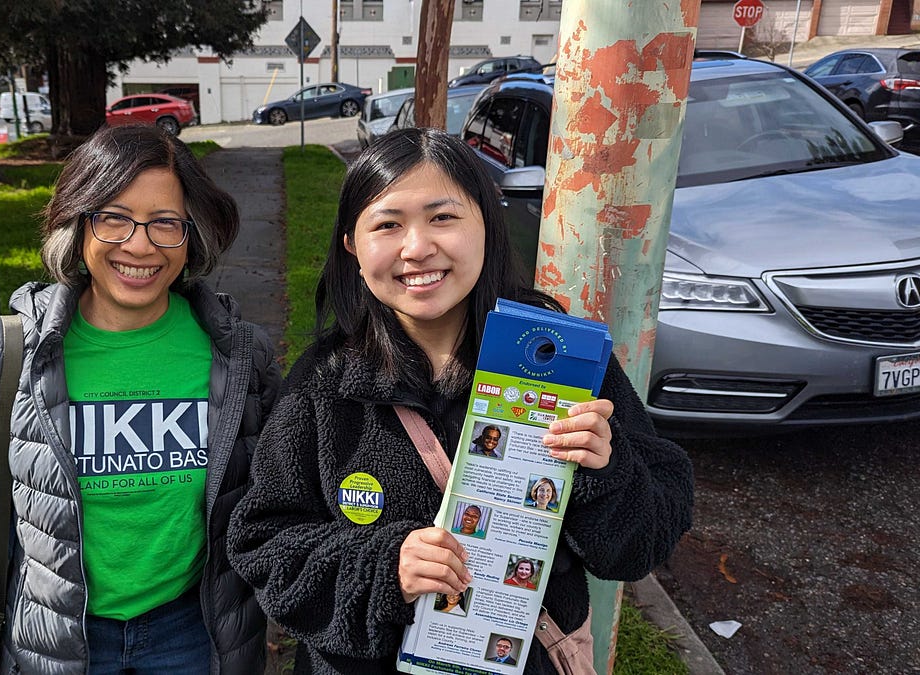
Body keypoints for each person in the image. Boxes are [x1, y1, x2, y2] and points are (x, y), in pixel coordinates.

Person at [227, 127, 694, 674]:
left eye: (443, 217)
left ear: (486, 225)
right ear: (353, 245)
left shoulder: (559, 362)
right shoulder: (324, 384)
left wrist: (607, 470)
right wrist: (384, 567)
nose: (418, 247)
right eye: (387, 224)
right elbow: (262, 543)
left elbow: (646, 540)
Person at [0, 124, 280, 674]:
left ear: (192, 236)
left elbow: (272, 504)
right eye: (114, 217)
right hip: (56, 640)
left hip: (191, 636)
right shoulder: (6, 352)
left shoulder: (241, 357)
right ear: (77, 222)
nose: (139, 245)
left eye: (165, 223)